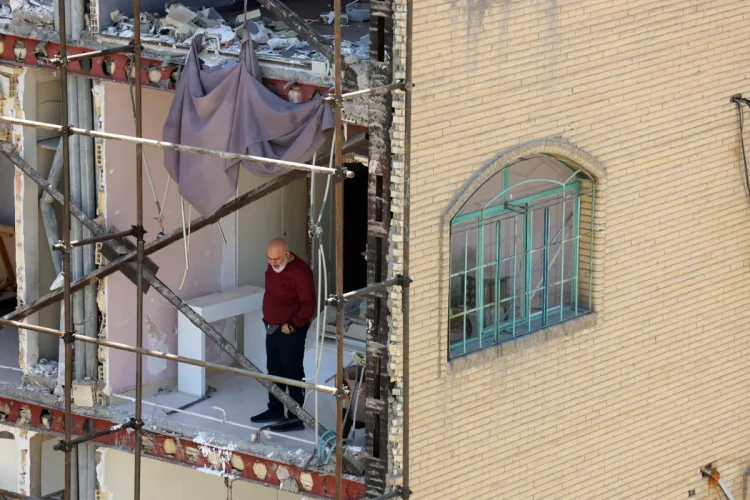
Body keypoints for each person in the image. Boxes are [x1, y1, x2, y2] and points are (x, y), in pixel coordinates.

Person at [251, 238, 315, 432]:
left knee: (292, 373)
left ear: (287, 254)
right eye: (270, 259)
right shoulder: (273, 266)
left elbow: (308, 306)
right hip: (272, 327)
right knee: (274, 370)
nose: (273, 263)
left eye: (277, 258)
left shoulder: (301, 272)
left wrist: (292, 326)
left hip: (290, 331)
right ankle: (275, 410)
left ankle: (296, 418)